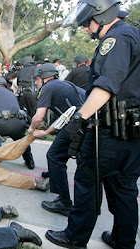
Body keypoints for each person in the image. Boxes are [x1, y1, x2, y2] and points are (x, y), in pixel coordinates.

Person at [46, 1, 140, 249]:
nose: (86, 29)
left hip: (109, 129)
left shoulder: (115, 39)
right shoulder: (134, 35)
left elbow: (105, 86)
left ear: (102, 15)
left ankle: (75, 237)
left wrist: (80, 119)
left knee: (87, 180)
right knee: (124, 187)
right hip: (132, 129)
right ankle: (123, 241)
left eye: (88, 23)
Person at [27, 63, 86, 216]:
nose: (36, 82)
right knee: (60, 155)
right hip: (83, 123)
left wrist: (32, 130)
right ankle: (55, 174)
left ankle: (64, 202)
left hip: (77, 124)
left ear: (44, 78)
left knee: (54, 156)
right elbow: (62, 119)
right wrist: (46, 131)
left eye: (37, 79)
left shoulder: (48, 87)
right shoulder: (63, 85)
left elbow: (39, 117)